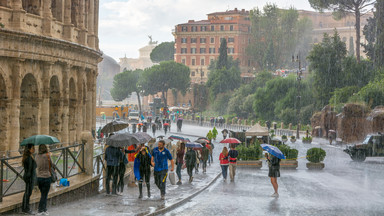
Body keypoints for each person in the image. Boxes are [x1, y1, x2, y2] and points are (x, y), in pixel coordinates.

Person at [35, 144, 53, 215]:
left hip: (39, 177)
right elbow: (51, 164)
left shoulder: (36, 156)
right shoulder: (47, 155)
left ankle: (43, 209)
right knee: (44, 195)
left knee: (43, 194)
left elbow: (36, 165)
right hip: (47, 177)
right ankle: (42, 210)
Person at [21, 144, 36, 215]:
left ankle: (25, 208)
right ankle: (26, 208)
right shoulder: (29, 158)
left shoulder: (27, 157)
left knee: (27, 193)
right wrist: (29, 179)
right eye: (33, 148)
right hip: (29, 178)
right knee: (27, 193)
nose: (34, 149)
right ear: (29, 149)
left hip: (28, 177)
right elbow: (29, 170)